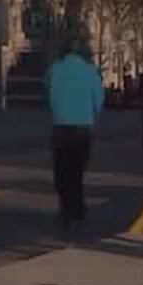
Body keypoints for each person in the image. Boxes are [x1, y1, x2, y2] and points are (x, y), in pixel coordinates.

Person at [46, 39, 104, 233]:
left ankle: (65, 209)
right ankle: (77, 211)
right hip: (82, 127)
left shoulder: (55, 69)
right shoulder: (89, 70)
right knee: (76, 172)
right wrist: (93, 112)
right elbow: (99, 98)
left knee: (62, 172)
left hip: (60, 126)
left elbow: (46, 92)